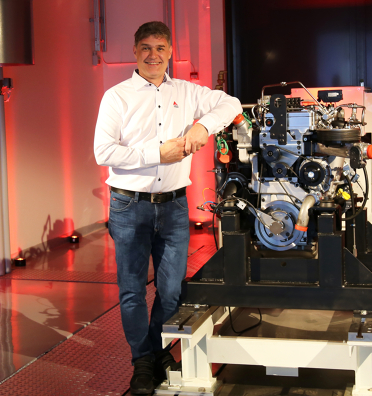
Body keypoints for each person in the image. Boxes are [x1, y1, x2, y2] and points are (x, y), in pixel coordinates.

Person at [93, 21, 241, 395]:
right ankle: (144, 360)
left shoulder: (187, 92)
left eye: (160, 48)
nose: (153, 55)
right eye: (146, 47)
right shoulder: (117, 96)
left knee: (172, 290)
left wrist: (202, 129)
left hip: (174, 205)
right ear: (134, 51)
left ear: (170, 51)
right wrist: (156, 153)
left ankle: (155, 351)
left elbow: (231, 103)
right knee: (131, 291)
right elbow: (104, 152)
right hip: (129, 205)